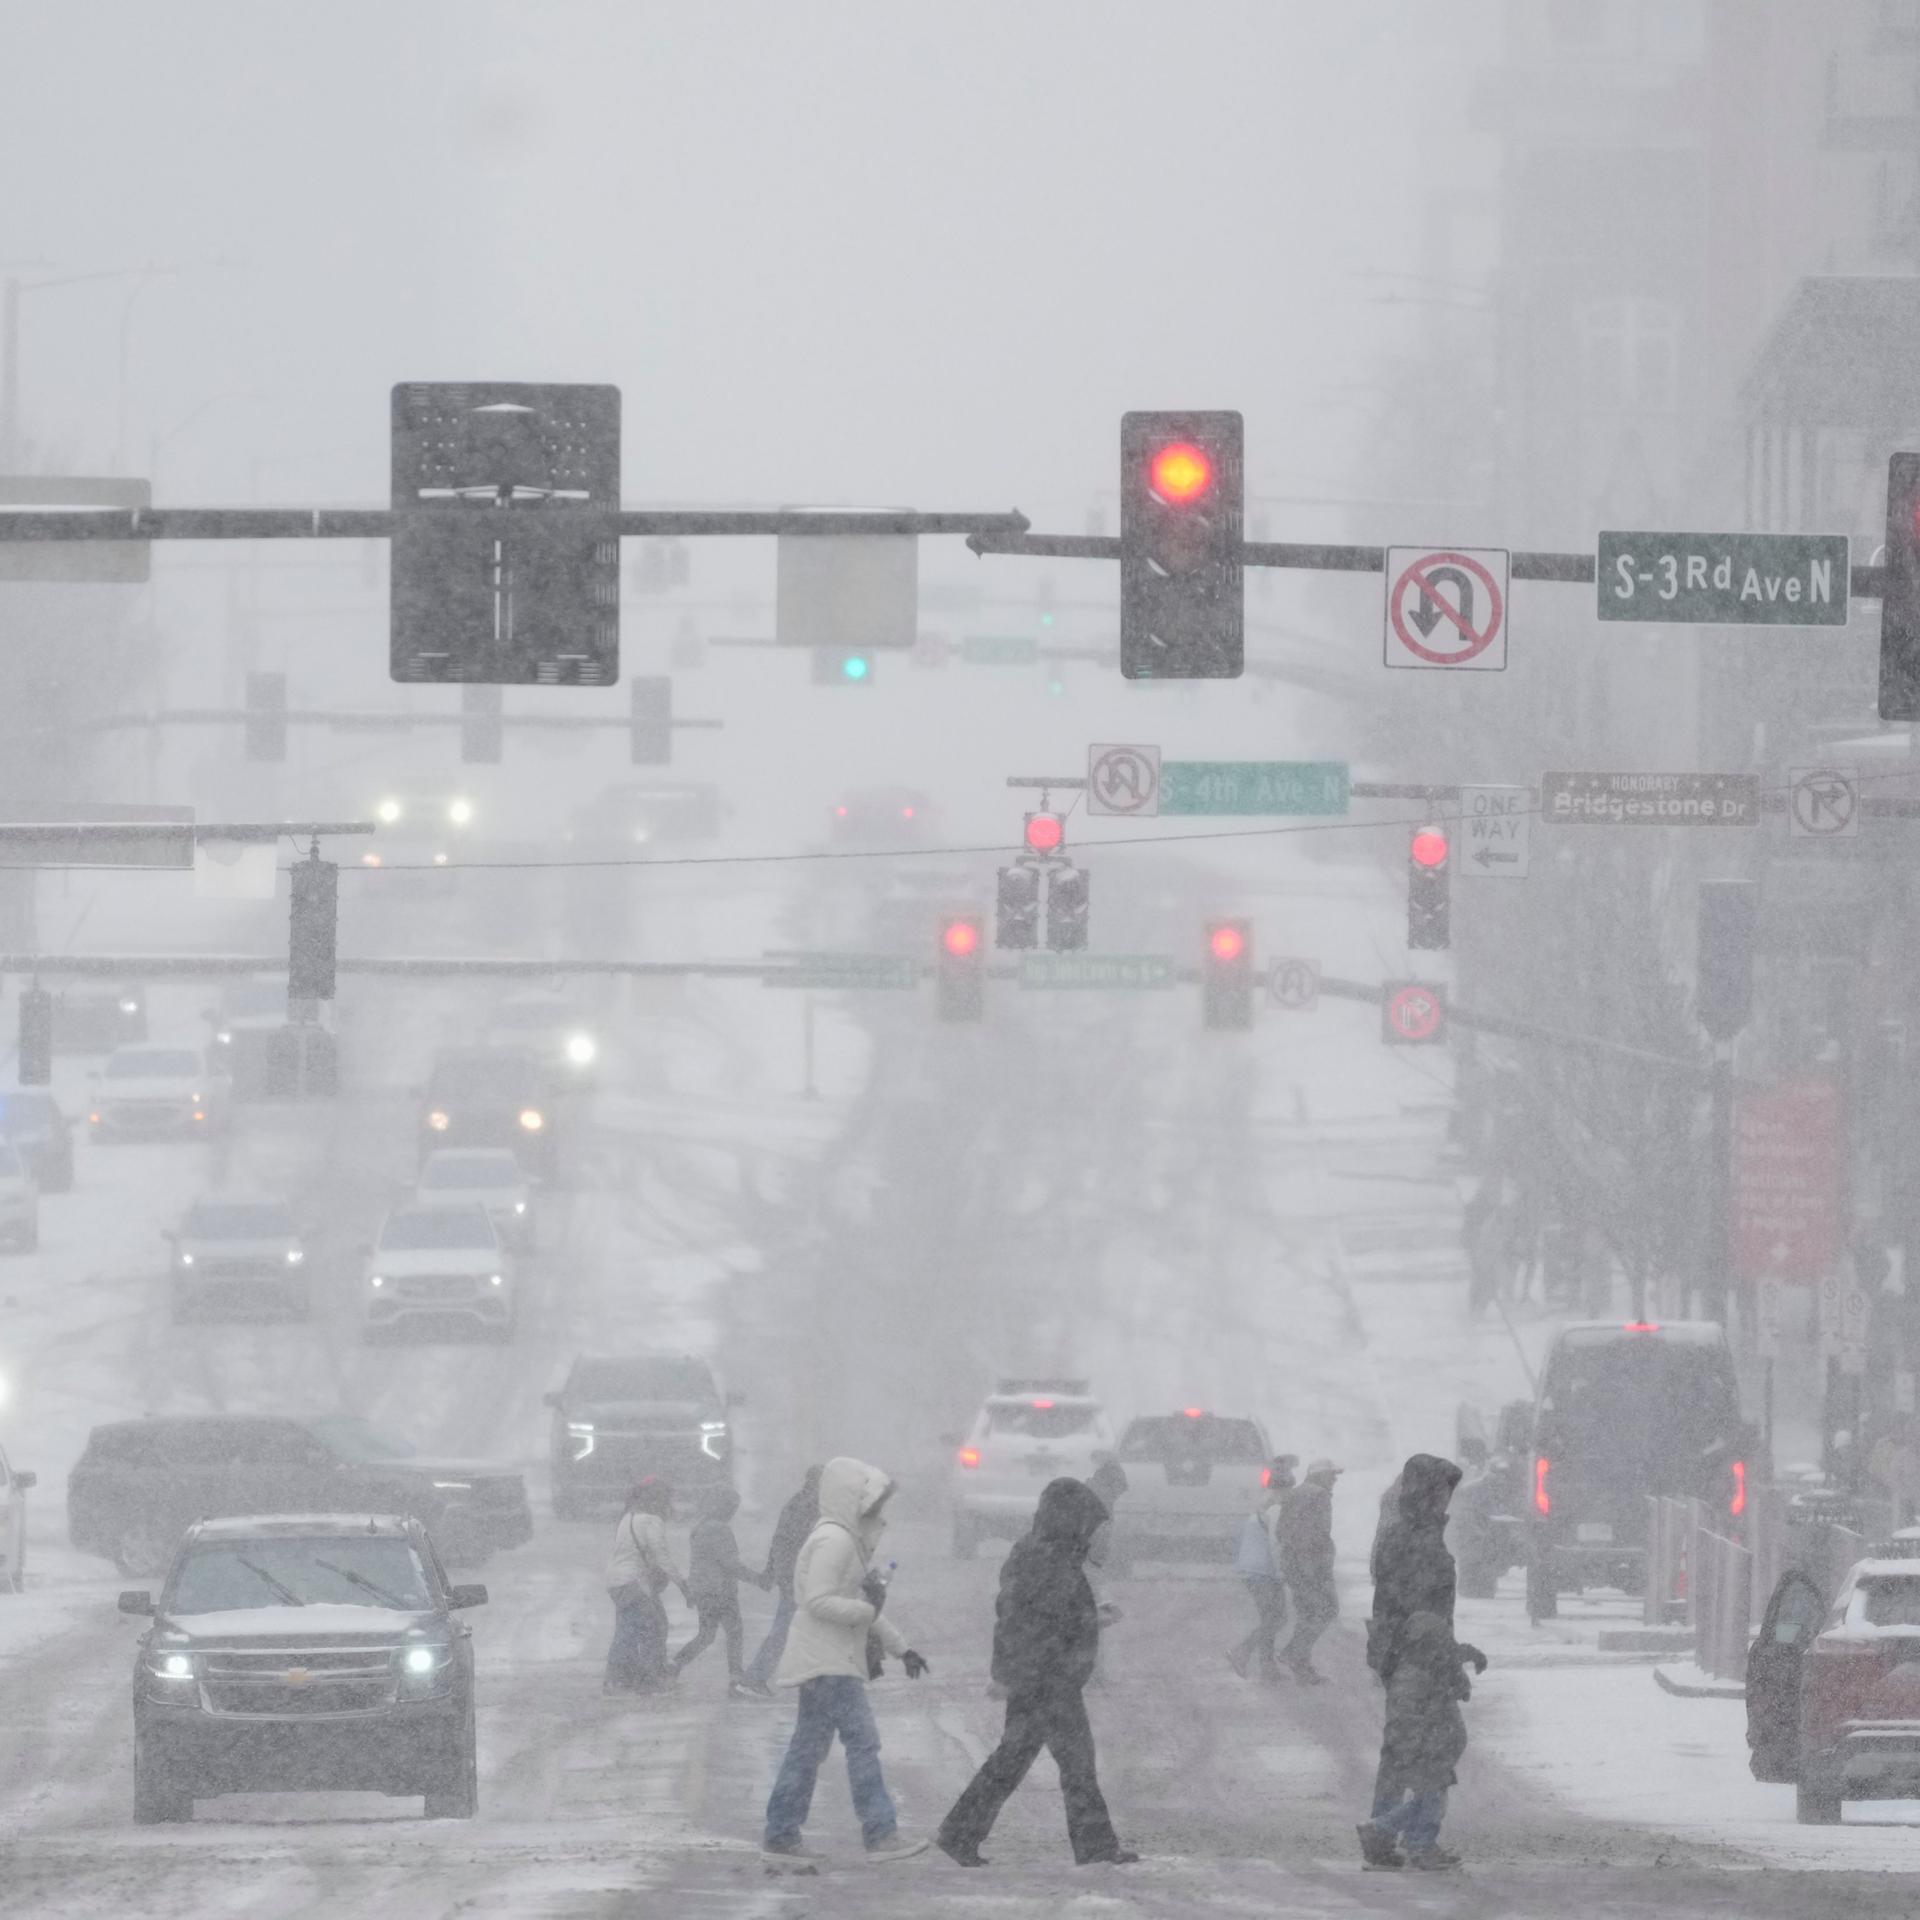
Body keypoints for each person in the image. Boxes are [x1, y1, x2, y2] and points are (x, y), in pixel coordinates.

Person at [937, 1477, 1139, 1869]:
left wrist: (1090, 1619)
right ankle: (1094, 1846)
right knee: (1075, 1761)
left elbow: (1049, 1616)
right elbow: (1018, 1619)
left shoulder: (1046, 1552)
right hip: (1046, 1677)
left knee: (1014, 1757)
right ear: (1070, 1520)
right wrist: (1008, 1672)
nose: (1091, 1533)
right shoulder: (1044, 1557)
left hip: (1041, 1673)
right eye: (1087, 1524)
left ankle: (959, 1833)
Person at [762, 1458, 931, 1864]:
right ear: (849, 1498)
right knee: (862, 1742)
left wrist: (901, 1647)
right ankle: (879, 1833)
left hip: (825, 1660)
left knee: (807, 1749)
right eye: (869, 1503)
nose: (876, 1512)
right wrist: (867, 1613)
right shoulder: (835, 1541)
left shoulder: (841, 1540)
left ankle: (782, 1833)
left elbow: (861, 1605)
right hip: (829, 1662)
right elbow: (819, 1601)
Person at [1366, 1455, 1485, 1852]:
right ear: (1428, 1493)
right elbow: (1422, 1615)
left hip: (1402, 1654)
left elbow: (1410, 1610)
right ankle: (1404, 1835)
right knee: (1441, 1746)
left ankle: (1390, 1837)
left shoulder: (1406, 1534)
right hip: (1419, 1659)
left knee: (1402, 1753)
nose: (1447, 1500)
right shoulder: (1415, 1540)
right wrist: (1450, 1661)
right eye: (1442, 1491)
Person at [1355, 1611, 1472, 1871]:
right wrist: (1422, 1745)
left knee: (1430, 1796)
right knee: (1432, 1796)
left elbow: (1454, 1689)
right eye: (1440, 1641)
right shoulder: (1418, 1672)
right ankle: (1406, 1840)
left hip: (1425, 1745)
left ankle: (1388, 1834)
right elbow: (1414, 1713)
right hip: (1425, 1746)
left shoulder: (1421, 1665)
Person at [669, 1484, 771, 1696]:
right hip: (720, 1589)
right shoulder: (718, 1528)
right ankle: (735, 1678)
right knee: (734, 1632)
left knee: (706, 1635)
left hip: (703, 1588)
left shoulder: (701, 1526)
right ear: (724, 1506)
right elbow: (729, 1564)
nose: (733, 1511)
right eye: (732, 1506)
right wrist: (757, 1579)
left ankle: (674, 1665)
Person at [744, 1464, 823, 1694]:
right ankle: (754, 1678)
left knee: (803, 1626)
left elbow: (779, 1539)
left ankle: (814, 1678)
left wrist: (772, 1571)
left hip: (790, 1573)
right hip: (798, 1575)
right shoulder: (810, 1506)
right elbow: (808, 1542)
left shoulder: (795, 1502)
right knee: (786, 1628)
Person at [604, 1479, 685, 1694]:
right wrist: (683, 1585)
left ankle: (624, 1678)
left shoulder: (628, 1517)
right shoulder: (650, 1520)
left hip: (618, 1582)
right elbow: (662, 1556)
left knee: (630, 1628)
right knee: (651, 1628)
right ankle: (641, 1679)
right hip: (631, 1582)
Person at [1228, 1455, 1295, 1682]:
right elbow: (1276, 1543)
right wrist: (1280, 1571)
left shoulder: (1264, 1502)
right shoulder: (1276, 1507)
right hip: (1263, 1571)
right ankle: (1242, 1652)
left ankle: (1267, 1668)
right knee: (1276, 1619)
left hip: (1254, 1568)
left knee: (1272, 1618)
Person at [1277, 1458, 1341, 1684]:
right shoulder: (1319, 1496)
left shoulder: (1294, 1494)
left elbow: (1282, 1529)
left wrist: (1292, 1559)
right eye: (1331, 1475)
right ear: (1320, 1475)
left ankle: (1301, 1668)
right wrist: (1313, 1566)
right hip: (1311, 1564)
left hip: (1293, 1562)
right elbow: (1317, 1534)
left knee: (1308, 1612)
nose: (1334, 1480)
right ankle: (1294, 1653)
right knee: (1326, 1609)